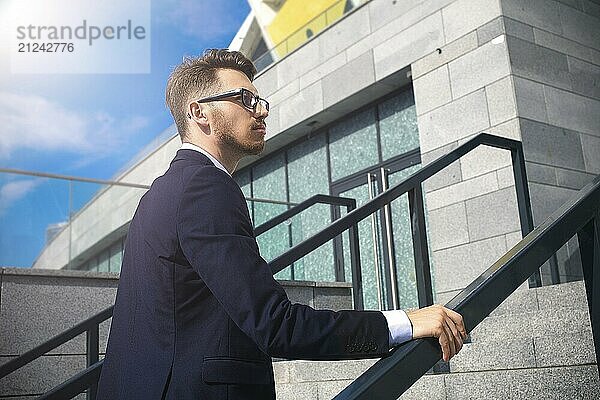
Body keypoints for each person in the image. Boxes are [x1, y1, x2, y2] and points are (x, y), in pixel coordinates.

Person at [96, 49, 466, 400]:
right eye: (245, 98)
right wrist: (403, 323)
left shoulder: (158, 195)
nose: (261, 112)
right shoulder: (205, 187)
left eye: (260, 101)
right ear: (199, 112)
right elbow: (275, 324)